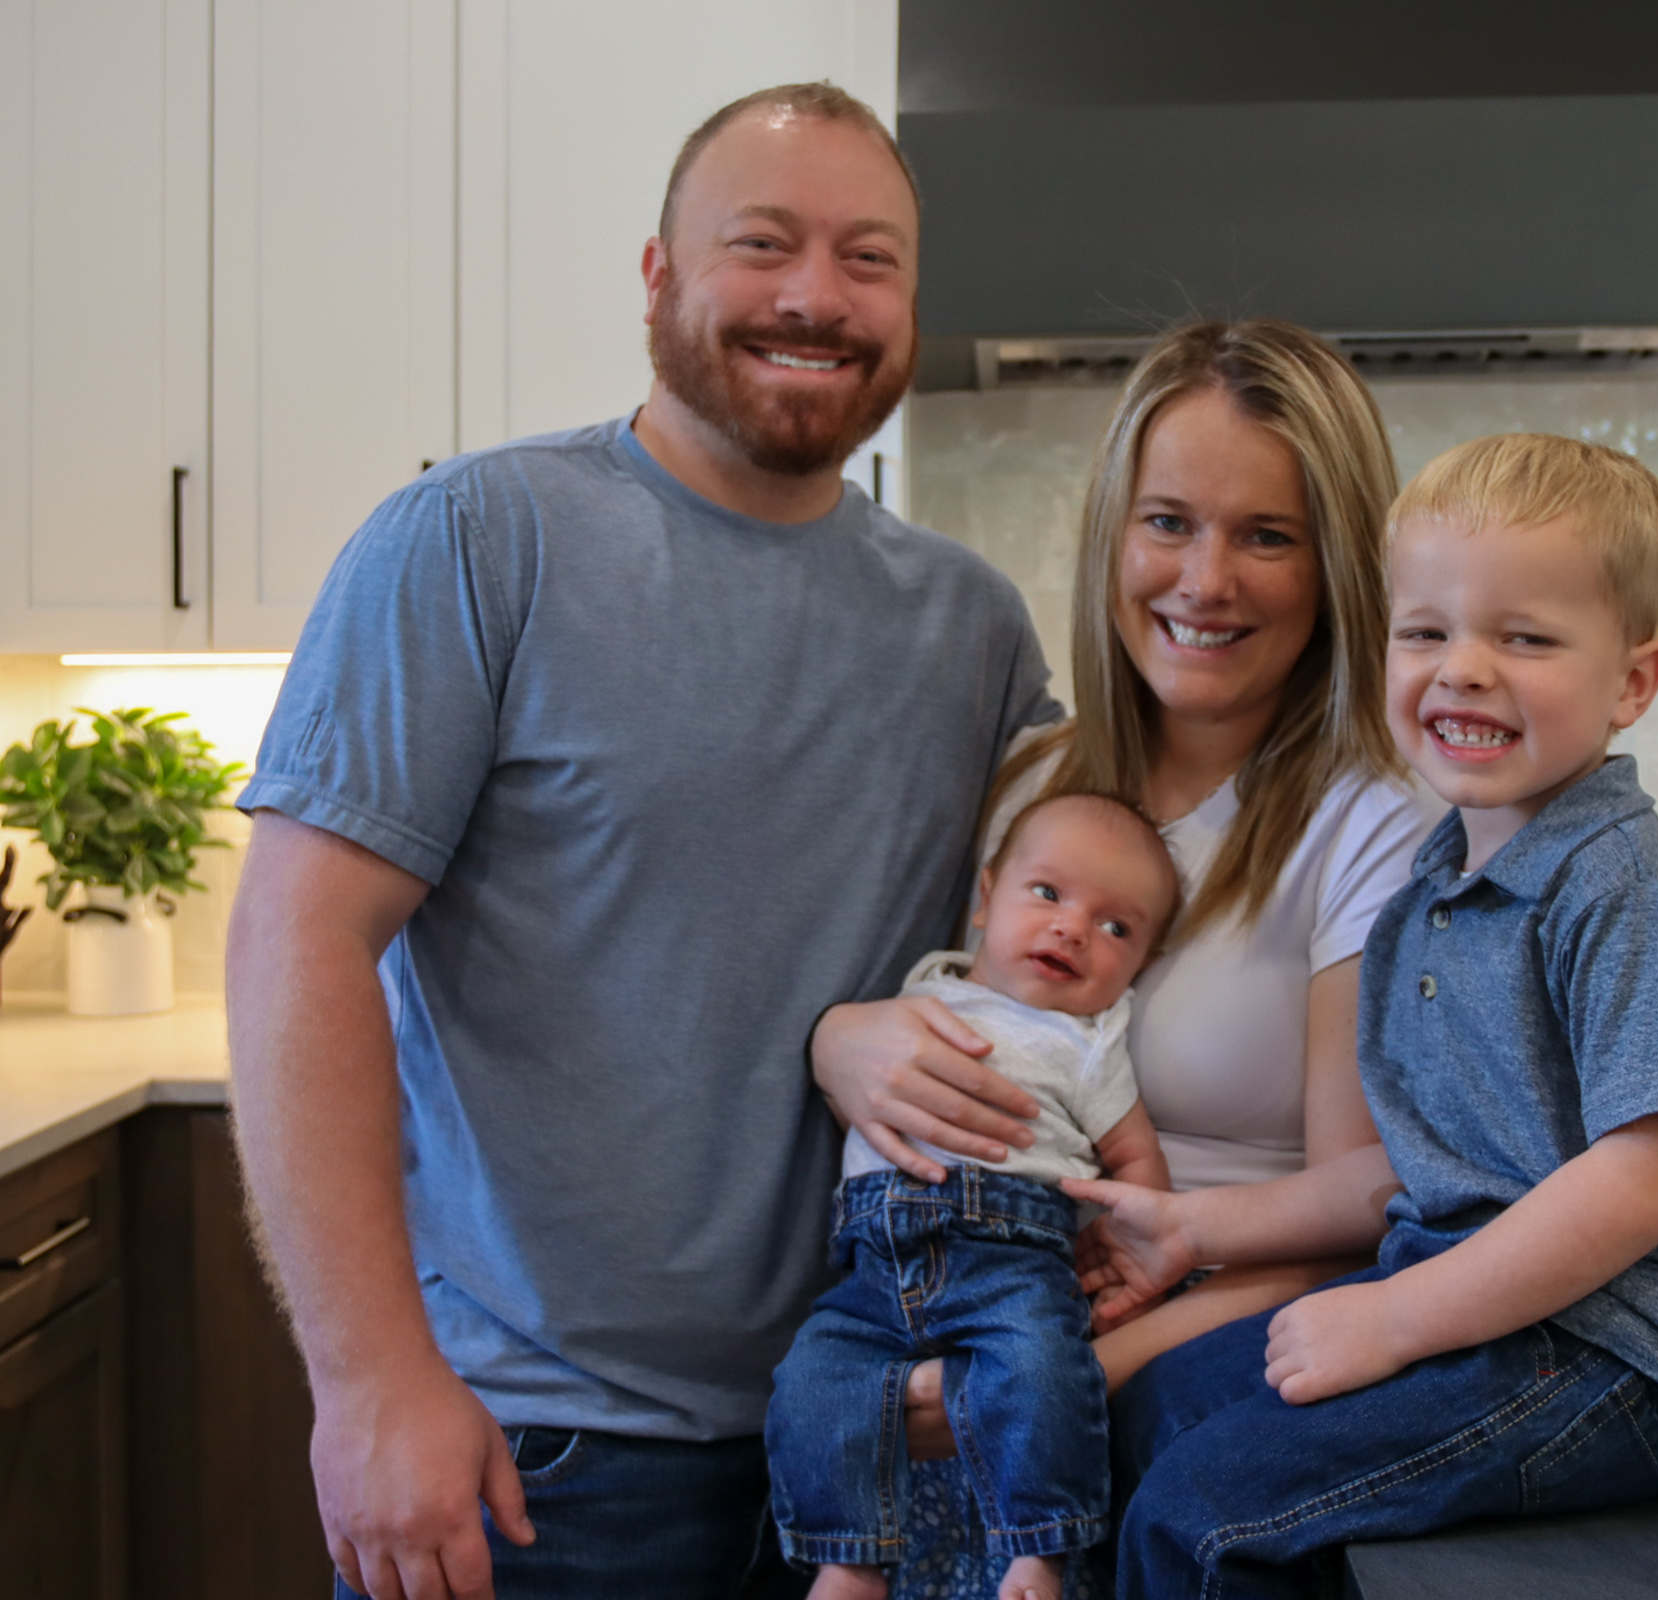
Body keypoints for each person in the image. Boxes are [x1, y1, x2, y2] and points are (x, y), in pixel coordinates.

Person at [225, 82, 1057, 1600]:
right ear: (661, 273)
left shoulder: (972, 628)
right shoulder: (479, 542)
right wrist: (368, 1383)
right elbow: (297, 940)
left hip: (874, 1446)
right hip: (538, 1459)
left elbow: (1054, 947)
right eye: (764, 243)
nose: (817, 294)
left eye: (868, 259)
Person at [1099, 434, 1658, 1596]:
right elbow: (1431, 1168)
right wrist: (1200, 1230)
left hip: (1631, 1353)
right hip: (1491, 1307)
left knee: (1206, 1509)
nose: (1463, 669)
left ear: (1634, 682)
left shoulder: (1623, 885)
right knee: (1158, 1409)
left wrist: (1394, 1319)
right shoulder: (1436, 882)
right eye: (1426, 632)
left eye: (1524, 638)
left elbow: (1647, 1175)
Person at [810, 320, 1438, 1596]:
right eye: (1168, 522)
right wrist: (839, 1040)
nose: (1204, 580)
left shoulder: (1375, 814)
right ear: (1112, 533)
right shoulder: (1035, 779)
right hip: (953, 1364)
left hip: (1191, 1402)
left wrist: (1058, 1378)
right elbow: (940, 1003)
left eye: (1267, 535)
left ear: (1336, 570)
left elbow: (1370, 1220)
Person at [768, 793, 1180, 1600]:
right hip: (874, 1260)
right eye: (1049, 894)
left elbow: (1137, 1160)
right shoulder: (923, 994)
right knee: (813, 1381)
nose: (1071, 928)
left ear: (1141, 963)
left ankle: (1040, 1546)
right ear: (986, 900)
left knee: (1043, 1373)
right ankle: (848, 1557)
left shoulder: (1090, 1045)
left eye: (1115, 927)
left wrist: (1137, 1245)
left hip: (1012, 1257)